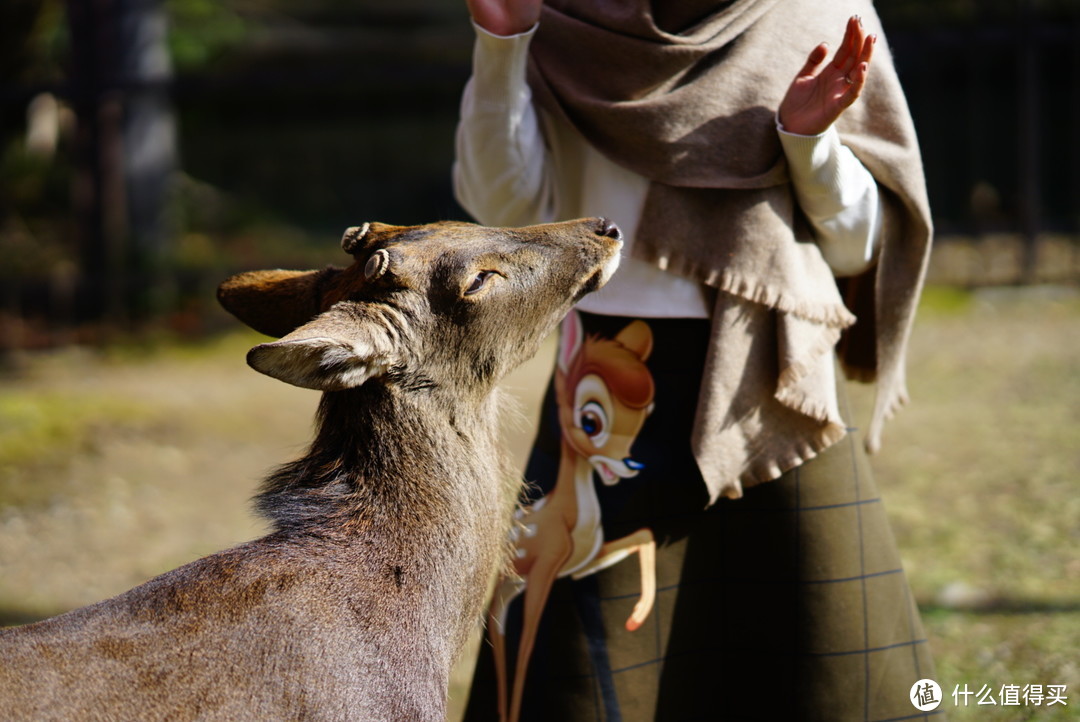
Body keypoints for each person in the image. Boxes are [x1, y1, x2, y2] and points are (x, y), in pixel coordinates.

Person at [453, 1, 937, 719]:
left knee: (831, 673)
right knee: (581, 685)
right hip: (605, 386)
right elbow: (503, 210)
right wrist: (503, 41)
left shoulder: (815, 12)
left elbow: (857, 249)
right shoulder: (563, 15)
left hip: (775, 389)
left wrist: (808, 141)